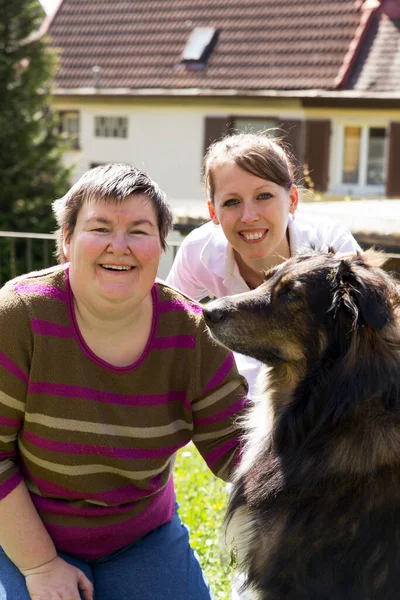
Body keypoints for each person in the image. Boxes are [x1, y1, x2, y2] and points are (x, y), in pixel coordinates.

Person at [0, 164, 248, 600]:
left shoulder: (193, 334)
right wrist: (39, 565)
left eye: (139, 230)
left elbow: (238, 451)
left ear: (161, 246)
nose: (120, 246)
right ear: (67, 242)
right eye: (100, 228)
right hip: (25, 532)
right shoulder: (19, 317)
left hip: (141, 536)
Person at [167, 131, 362, 400]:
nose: (249, 216)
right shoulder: (198, 251)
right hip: (243, 366)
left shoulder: (329, 245)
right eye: (232, 202)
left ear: (292, 200)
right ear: (213, 212)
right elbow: (167, 323)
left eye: (264, 196)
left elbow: (366, 332)